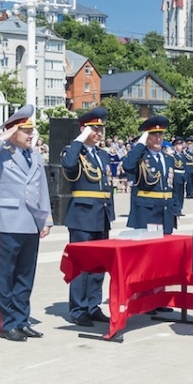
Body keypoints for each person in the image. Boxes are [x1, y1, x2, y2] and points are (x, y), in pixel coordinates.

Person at [0, 104, 53, 342]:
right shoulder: (1, 154)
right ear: (13, 132)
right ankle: (6, 323)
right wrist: (2, 137)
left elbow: (43, 189)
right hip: (8, 222)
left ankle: (21, 319)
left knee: (25, 275)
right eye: (26, 131)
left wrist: (46, 218)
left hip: (31, 222)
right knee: (5, 275)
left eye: (32, 130)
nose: (31, 135)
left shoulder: (35, 156)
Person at [60, 107, 114, 327]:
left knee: (98, 265)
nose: (99, 132)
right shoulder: (73, 151)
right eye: (94, 128)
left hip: (101, 214)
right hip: (82, 215)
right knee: (81, 265)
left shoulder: (102, 155)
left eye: (101, 128)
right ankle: (78, 308)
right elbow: (68, 166)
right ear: (83, 129)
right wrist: (80, 139)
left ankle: (93, 305)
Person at [123, 115, 175, 234]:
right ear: (146, 137)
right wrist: (140, 144)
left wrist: (175, 209)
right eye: (153, 134)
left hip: (166, 211)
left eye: (160, 134)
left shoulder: (168, 159)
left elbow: (172, 186)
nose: (158, 138)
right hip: (147, 211)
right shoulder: (140, 157)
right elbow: (128, 166)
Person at [171, 138, 188, 216]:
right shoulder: (172, 156)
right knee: (176, 193)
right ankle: (175, 210)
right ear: (175, 147)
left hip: (182, 176)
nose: (180, 147)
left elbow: (185, 167)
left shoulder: (183, 156)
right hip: (176, 175)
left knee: (181, 194)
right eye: (178, 145)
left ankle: (180, 209)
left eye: (181, 145)